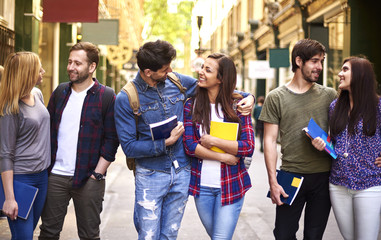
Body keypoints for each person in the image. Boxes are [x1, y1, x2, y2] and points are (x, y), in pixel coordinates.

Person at [114, 40, 254, 239]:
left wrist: (250, 97)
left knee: (170, 234)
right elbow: (129, 147)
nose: (170, 70)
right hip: (151, 175)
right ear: (148, 72)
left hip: (181, 173)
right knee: (148, 235)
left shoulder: (176, 82)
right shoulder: (126, 98)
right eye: (165, 69)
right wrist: (166, 143)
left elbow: (220, 88)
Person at [38, 42, 119, 240]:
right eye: (70, 62)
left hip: (89, 177)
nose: (71, 67)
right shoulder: (60, 92)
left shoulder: (106, 96)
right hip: (56, 175)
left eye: (77, 63)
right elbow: (47, 131)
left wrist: (97, 174)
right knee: (48, 232)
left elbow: (112, 139)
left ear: (92, 67)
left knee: (89, 235)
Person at [259, 39, 337, 239]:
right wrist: (273, 181)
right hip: (290, 175)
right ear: (299, 61)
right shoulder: (275, 97)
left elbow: (344, 133)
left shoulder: (330, 95)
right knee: (283, 234)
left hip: (323, 177)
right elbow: (269, 141)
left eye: (321, 61)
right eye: (314, 61)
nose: (319, 67)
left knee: (314, 235)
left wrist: (327, 143)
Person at [183, 53, 255, 239]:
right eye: (202, 67)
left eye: (208, 70)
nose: (201, 72)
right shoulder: (191, 105)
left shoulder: (239, 106)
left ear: (221, 79)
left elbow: (247, 146)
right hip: (202, 187)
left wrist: (213, 141)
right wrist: (223, 156)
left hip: (231, 184)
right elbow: (190, 146)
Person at [312, 56, 381, 240]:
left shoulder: (378, 105)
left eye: (345, 70)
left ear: (360, 75)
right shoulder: (335, 106)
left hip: (370, 184)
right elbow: (335, 142)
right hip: (338, 184)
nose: (340, 74)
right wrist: (322, 144)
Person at [0, 52, 49, 239]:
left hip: (42, 177)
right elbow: (5, 154)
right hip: (21, 180)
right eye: (39, 68)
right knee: (24, 236)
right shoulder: (9, 108)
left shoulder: (37, 95)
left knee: (26, 234)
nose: (43, 71)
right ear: (28, 73)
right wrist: (9, 197)